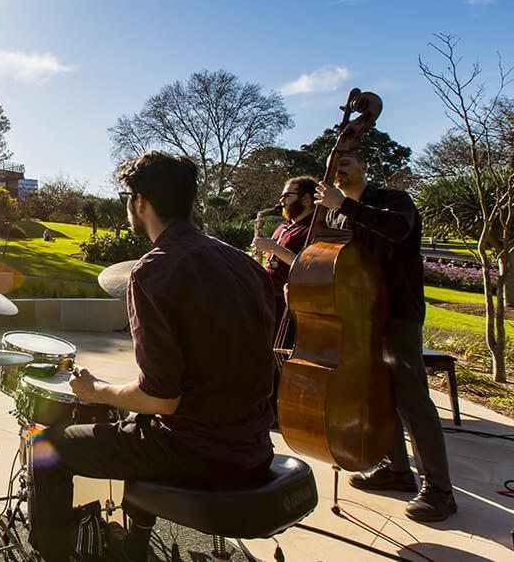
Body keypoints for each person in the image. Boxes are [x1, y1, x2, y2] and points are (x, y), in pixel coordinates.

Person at [29, 152, 276, 562]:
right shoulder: (246, 265)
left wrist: (96, 391)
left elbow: (162, 399)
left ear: (140, 202)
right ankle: (134, 546)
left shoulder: (153, 270)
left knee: (46, 448)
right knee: (136, 424)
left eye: (126, 198)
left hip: (198, 454)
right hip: (253, 447)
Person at [314, 151, 455, 522]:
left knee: (412, 398)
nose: (338, 169)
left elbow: (396, 230)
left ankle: (440, 489)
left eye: (346, 162)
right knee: (376, 391)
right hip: (358, 315)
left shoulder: (393, 200)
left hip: (397, 312)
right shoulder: (333, 214)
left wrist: (343, 204)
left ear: (364, 168)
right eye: (334, 164)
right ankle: (396, 469)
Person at [252, 175, 317, 418]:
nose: (282, 201)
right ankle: (264, 406)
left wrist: (275, 248)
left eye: (287, 196)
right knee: (264, 354)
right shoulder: (284, 227)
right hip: (269, 297)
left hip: (290, 302)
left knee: (281, 356)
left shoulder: (313, 229)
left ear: (307, 199)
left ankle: (280, 410)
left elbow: (309, 266)